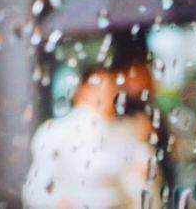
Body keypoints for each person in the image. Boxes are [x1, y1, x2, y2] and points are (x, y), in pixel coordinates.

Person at [22, 61, 159, 208]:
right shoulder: (55, 132)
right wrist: (59, 203)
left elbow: (140, 185)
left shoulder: (123, 134)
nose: (108, 96)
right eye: (100, 88)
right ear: (81, 91)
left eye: (113, 91)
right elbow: (35, 189)